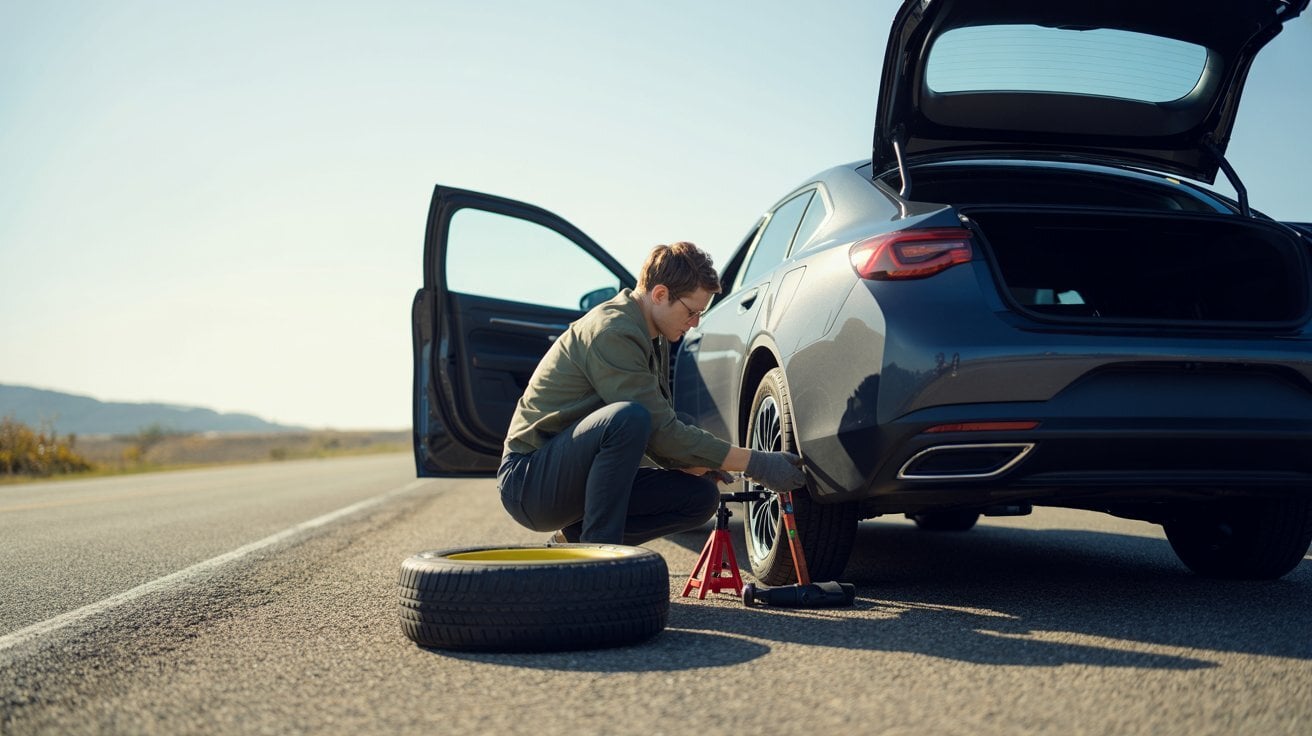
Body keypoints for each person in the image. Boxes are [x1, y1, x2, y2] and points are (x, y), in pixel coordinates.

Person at [496, 241, 808, 545]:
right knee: (627, 418)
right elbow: (659, 431)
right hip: (529, 482)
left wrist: (697, 459)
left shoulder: (652, 333)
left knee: (699, 498)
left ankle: (573, 543)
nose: (696, 323)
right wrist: (755, 463)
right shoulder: (613, 331)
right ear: (660, 294)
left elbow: (664, 427)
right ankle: (598, 563)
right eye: (691, 312)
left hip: (568, 476)